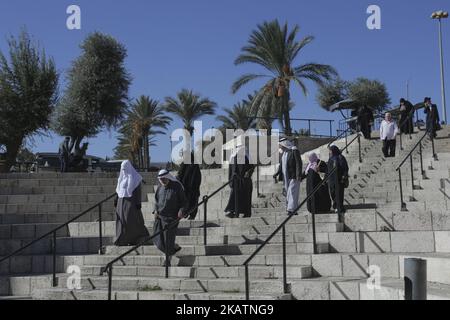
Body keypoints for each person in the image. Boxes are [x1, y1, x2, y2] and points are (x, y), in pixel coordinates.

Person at [153, 169, 187, 262]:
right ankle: (174, 247)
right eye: (160, 179)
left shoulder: (177, 187)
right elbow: (156, 201)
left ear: (168, 177)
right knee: (158, 240)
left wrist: (181, 211)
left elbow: (184, 202)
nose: (162, 181)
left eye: (164, 179)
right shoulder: (160, 187)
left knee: (168, 239)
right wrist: (155, 210)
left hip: (172, 218)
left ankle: (167, 260)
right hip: (160, 217)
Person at [114, 160, 149, 246]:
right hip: (120, 204)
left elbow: (137, 191)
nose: (124, 171)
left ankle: (137, 237)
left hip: (131, 203)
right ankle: (121, 239)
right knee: (121, 221)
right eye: (122, 169)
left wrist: (138, 202)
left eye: (125, 169)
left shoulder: (136, 178)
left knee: (131, 220)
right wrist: (116, 198)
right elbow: (119, 190)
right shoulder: (121, 178)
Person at [225, 143, 255, 218]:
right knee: (234, 197)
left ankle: (246, 213)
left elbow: (252, 167)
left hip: (245, 181)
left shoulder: (247, 157)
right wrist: (230, 181)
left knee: (246, 198)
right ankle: (233, 212)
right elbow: (231, 171)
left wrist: (248, 173)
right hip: (235, 181)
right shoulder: (233, 157)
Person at [278, 138, 303, 216]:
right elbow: (281, 166)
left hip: (294, 175)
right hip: (287, 177)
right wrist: (276, 174)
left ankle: (291, 209)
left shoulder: (294, 150)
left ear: (284, 144)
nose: (279, 147)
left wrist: (298, 175)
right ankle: (292, 209)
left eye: (280, 145)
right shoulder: (284, 153)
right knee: (289, 193)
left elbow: (299, 163)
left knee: (292, 192)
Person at [177, 153, 202, 220]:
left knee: (193, 202)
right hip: (184, 189)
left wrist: (194, 187)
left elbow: (197, 178)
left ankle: (192, 215)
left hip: (193, 189)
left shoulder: (194, 165)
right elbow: (179, 175)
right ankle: (184, 214)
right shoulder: (183, 165)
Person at [327, 145, 349, 215]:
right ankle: (335, 206)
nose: (330, 152)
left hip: (339, 179)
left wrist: (344, 176)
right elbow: (328, 169)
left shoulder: (340, 157)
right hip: (331, 180)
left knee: (339, 193)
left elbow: (345, 168)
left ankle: (339, 207)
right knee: (332, 192)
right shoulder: (330, 159)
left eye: (330, 150)